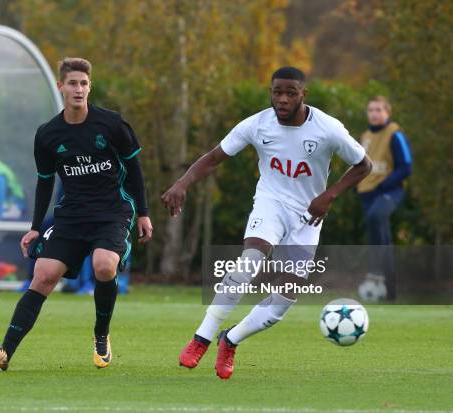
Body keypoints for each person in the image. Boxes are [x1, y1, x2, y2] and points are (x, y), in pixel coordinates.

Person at [162, 67, 372, 379]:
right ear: (271, 92)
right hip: (271, 204)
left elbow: (363, 164)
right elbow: (214, 157)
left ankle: (230, 339)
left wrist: (329, 195)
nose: (283, 99)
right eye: (278, 92)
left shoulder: (328, 129)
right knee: (249, 262)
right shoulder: (256, 124)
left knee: (283, 299)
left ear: (303, 94)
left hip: (308, 217)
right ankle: (201, 337)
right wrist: (182, 183)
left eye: (291, 93)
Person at [0, 57, 152, 371]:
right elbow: (45, 183)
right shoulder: (48, 134)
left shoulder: (111, 124)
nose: (79, 89)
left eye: (84, 83)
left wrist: (143, 213)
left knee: (103, 266)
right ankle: (4, 354)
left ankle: (101, 334)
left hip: (112, 213)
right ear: (61, 87)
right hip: (70, 217)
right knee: (43, 276)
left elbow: (135, 169)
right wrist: (34, 227)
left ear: (90, 87)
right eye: (72, 83)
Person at [357, 96, 412, 300]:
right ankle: (390, 292)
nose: (375, 113)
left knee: (376, 218)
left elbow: (406, 166)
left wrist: (383, 185)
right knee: (383, 237)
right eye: (371, 110)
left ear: (388, 112)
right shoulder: (365, 135)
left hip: (389, 191)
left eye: (379, 109)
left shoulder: (395, 134)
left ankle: (376, 271)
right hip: (368, 193)